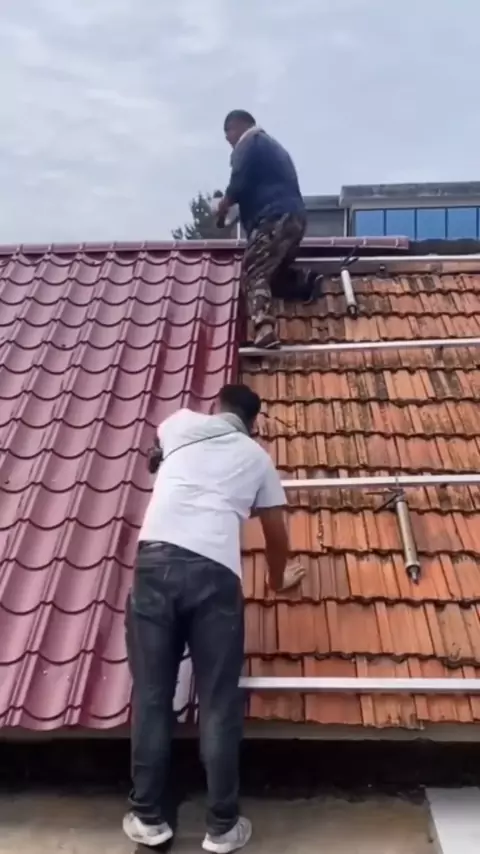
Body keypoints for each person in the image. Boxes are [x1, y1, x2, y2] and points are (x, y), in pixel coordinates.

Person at [123, 384, 305, 853]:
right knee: (219, 703)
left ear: (217, 408)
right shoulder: (258, 458)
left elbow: (156, 450)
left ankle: (149, 819)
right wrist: (278, 579)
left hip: (156, 563)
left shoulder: (180, 423)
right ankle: (222, 828)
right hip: (216, 574)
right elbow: (276, 535)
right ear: (253, 423)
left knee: (152, 696)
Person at [216, 109, 321, 349]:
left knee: (253, 271)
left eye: (228, 133)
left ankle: (263, 328)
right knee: (272, 271)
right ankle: (304, 281)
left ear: (237, 126)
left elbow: (238, 183)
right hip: (294, 219)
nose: (228, 141)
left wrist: (222, 206)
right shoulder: (274, 148)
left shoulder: (249, 142)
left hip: (273, 218)